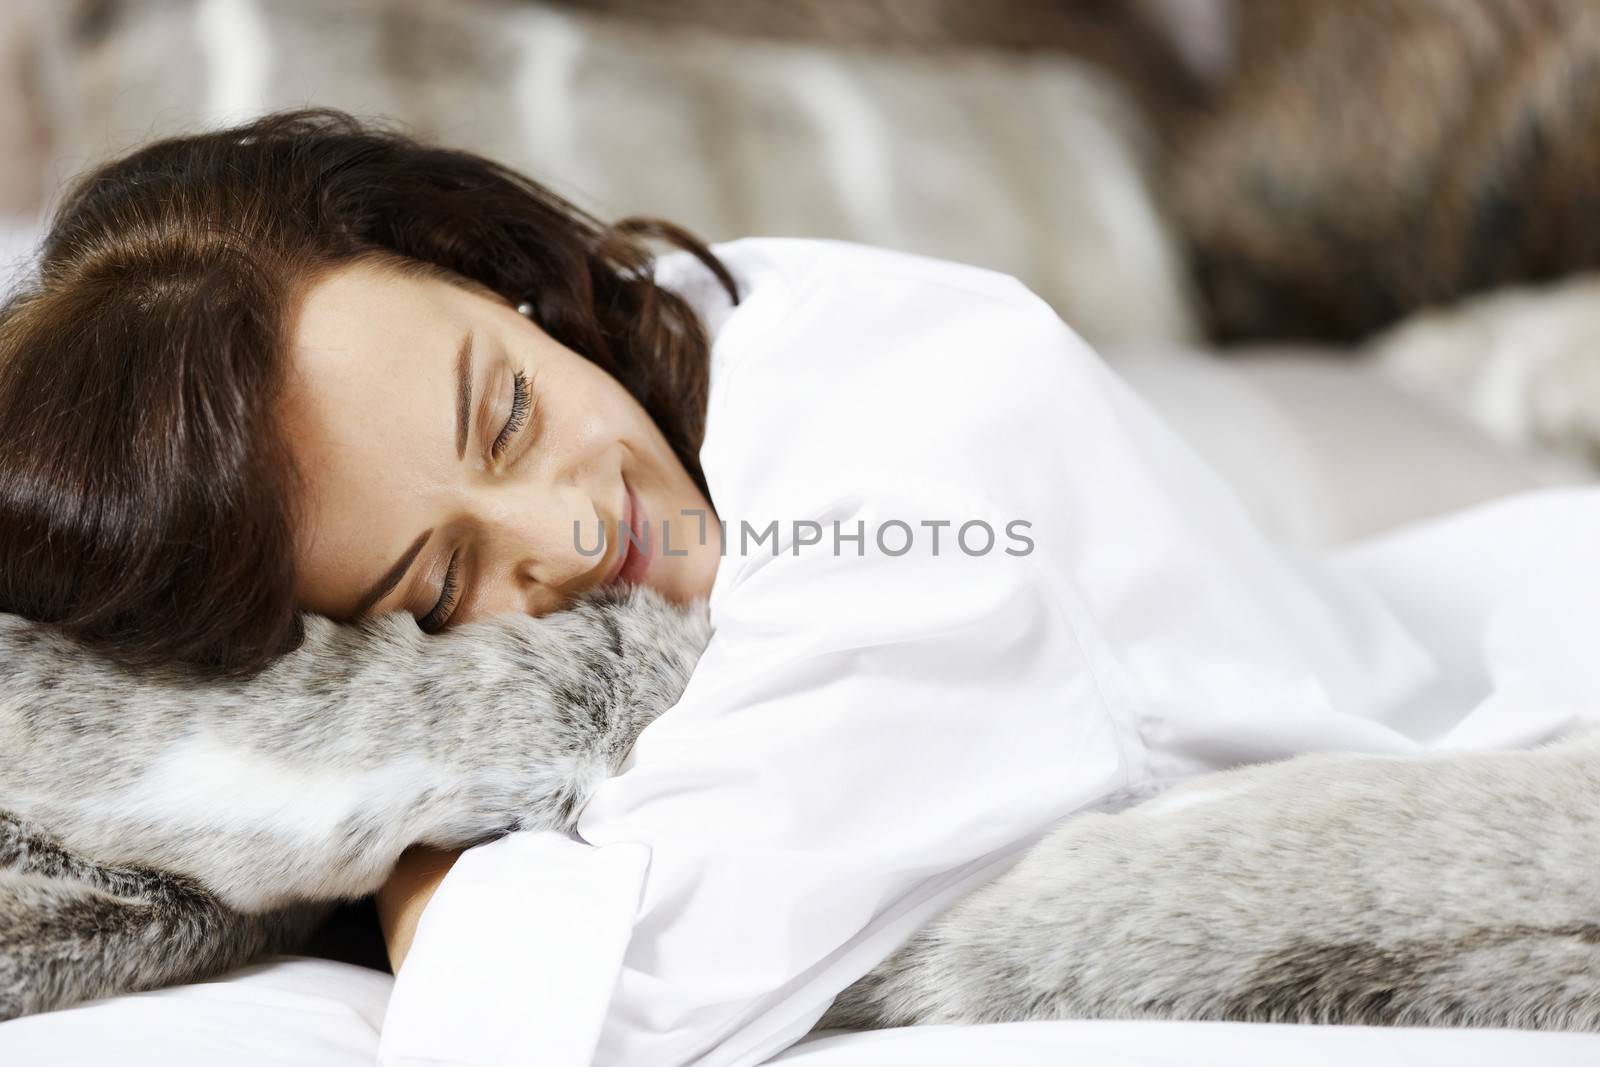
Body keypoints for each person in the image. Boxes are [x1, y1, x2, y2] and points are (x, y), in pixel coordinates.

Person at [3, 107, 1596, 1066]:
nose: (560, 535)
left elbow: (572, 1013)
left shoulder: (913, 461)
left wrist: (407, 856)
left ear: (494, 277)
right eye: (438, 587)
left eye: (502, 409)